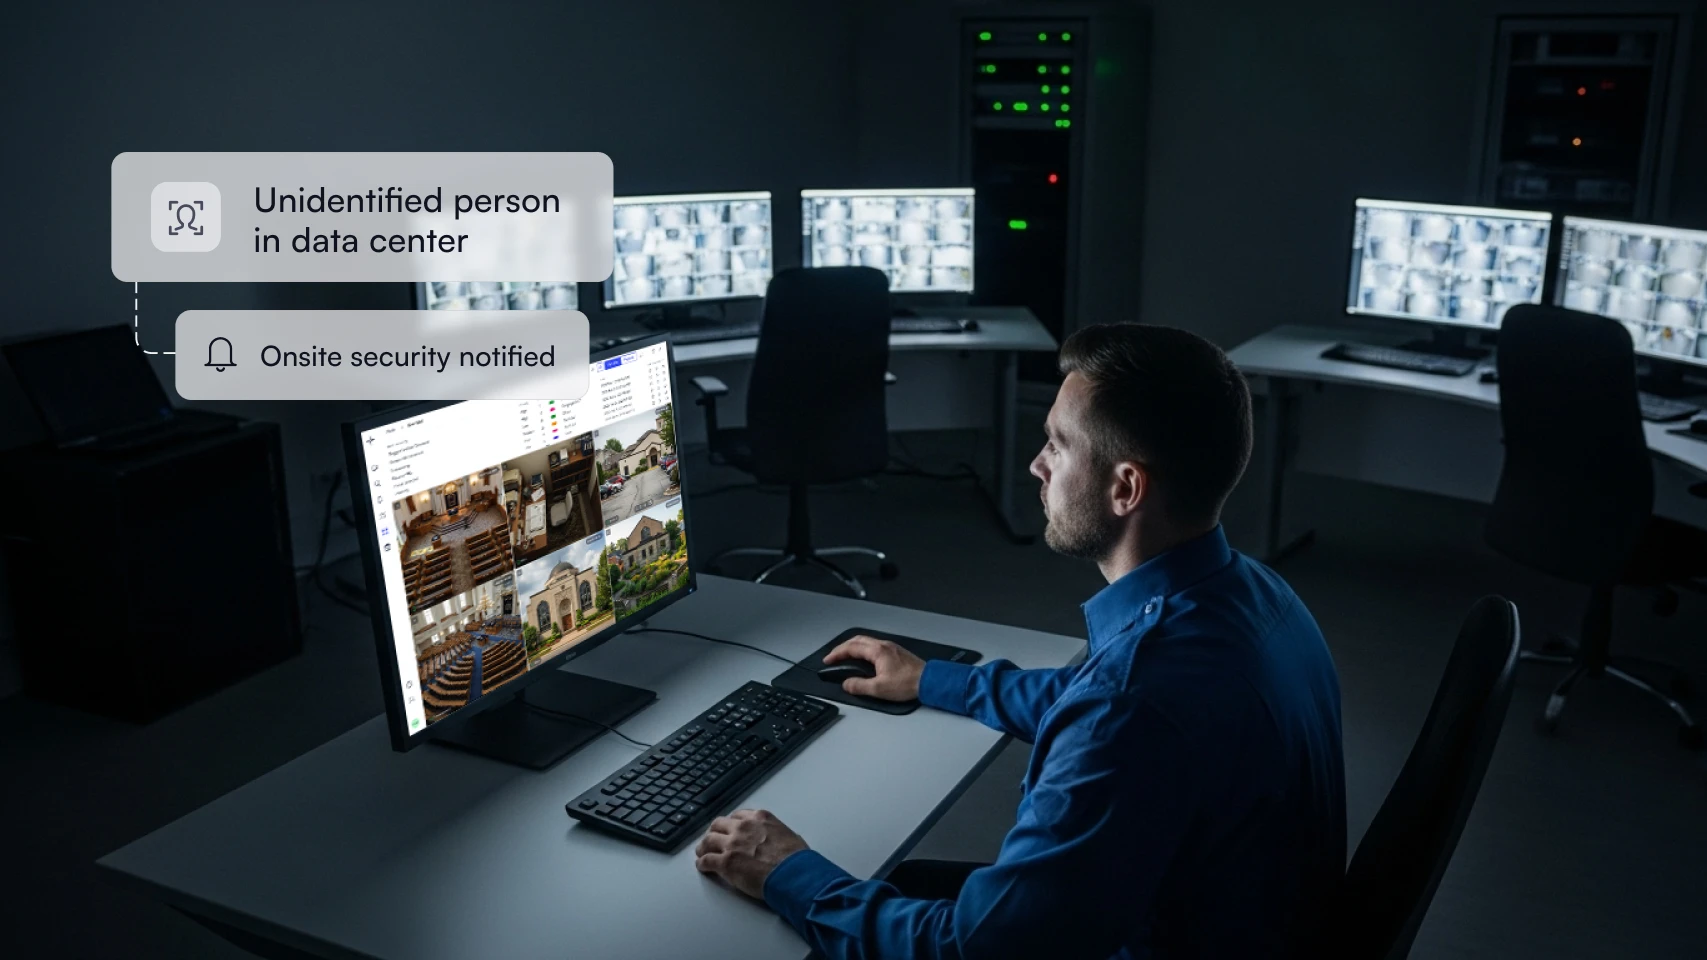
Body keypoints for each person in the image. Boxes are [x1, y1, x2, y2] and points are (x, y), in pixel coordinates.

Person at [694, 323, 1346, 959]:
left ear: (1125, 488)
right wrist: (932, 679)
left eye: (1057, 445)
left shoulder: (1133, 705)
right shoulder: (1253, 593)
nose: (1036, 465)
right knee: (904, 879)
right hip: (1224, 916)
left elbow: (974, 947)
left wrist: (789, 873)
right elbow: (1093, 697)